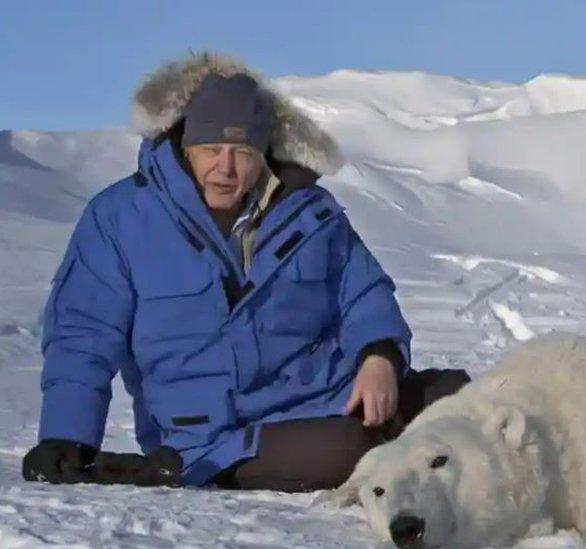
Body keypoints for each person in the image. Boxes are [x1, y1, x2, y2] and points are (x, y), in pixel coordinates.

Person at [21, 52, 469, 491]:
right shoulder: (121, 217)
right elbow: (83, 331)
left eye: (242, 151)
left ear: (264, 153)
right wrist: (68, 435)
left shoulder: (311, 213)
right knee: (350, 449)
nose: (226, 168)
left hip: (327, 396)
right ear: (184, 146)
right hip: (211, 438)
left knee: (461, 398)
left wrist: (378, 357)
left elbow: (364, 294)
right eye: (210, 149)